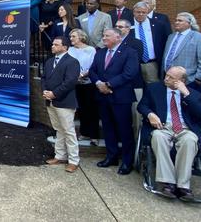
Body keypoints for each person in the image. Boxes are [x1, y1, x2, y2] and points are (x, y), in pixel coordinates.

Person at [137, 66, 201, 199]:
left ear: (182, 81)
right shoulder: (154, 89)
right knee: (158, 137)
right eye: (166, 75)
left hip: (184, 128)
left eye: (171, 77)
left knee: (190, 141)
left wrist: (186, 94)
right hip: (163, 126)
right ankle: (168, 183)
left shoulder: (192, 94)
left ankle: (183, 185)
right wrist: (150, 114)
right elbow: (142, 106)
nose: (166, 78)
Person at [89, 28, 139, 175]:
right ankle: (111, 156)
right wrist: (99, 83)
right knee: (108, 128)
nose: (104, 38)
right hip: (103, 97)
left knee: (124, 130)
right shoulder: (101, 52)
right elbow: (92, 71)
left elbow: (129, 73)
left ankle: (127, 161)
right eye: (103, 35)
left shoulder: (129, 52)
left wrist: (109, 84)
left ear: (118, 37)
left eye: (107, 36)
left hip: (121, 97)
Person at [42, 36, 81, 173]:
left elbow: (70, 82)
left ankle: (73, 161)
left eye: (56, 44)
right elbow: (44, 78)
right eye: (53, 44)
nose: (52, 46)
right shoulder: (49, 61)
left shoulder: (72, 62)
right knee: (59, 129)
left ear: (65, 47)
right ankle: (60, 156)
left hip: (64, 101)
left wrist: (55, 93)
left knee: (69, 131)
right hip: (50, 101)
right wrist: (45, 91)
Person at [161, 12, 201, 90]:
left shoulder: (200, 38)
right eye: (176, 20)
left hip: (189, 81)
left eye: (180, 20)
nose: (176, 22)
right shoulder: (171, 37)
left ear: (189, 23)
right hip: (169, 80)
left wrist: (197, 79)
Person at [68, 29, 98, 146]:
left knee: (92, 109)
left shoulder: (90, 50)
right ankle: (84, 133)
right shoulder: (70, 50)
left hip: (88, 83)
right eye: (70, 37)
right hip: (75, 84)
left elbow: (93, 65)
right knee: (81, 109)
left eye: (73, 36)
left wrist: (82, 75)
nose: (71, 39)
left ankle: (94, 135)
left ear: (81, 37)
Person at [132, 1, 168, 84]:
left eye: (143, 12)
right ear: (133, 12)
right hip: (134, 64)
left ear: (147, 12)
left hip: (152, 64)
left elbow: (165, 42)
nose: (141, 14)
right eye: (138, 12)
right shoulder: (127, 25)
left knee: (153, 88)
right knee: (136, 90)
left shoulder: (158, 25)